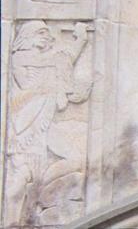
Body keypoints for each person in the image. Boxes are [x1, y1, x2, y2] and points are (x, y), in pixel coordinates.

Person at [5, 21, 91, 226]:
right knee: (19, 180)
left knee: (76, 160)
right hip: (28, 125)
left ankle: (40, 189)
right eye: (41, 32)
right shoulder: (21, 57)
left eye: (46, 32)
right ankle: (12, 219)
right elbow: (32, 82)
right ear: (28, 35)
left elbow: (63, 60)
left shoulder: (51, 59)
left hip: (44, 122)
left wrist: (81, 40)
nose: (46, 37)